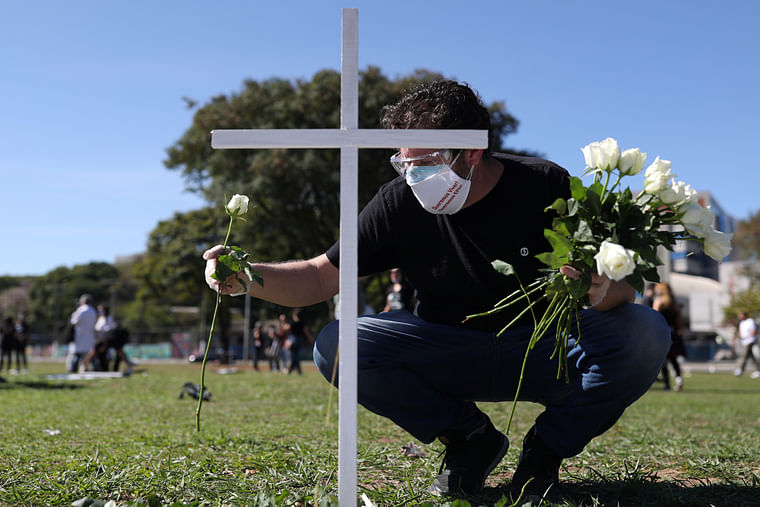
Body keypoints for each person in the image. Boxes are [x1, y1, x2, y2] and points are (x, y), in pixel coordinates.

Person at [203, 80, 670, 501]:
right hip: (446, 349)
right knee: (337, 344)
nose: (413, 176)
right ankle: (470, 439)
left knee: (644, 331)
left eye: (426, 163)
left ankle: (545, 453)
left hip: (539, 347)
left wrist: (600, 288)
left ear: (471, 153)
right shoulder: (397, 201)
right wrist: (250, 276)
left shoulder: (544, 185)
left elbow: (621, 291)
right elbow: (322, 274)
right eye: (403, 162)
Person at [652, 282, 687, 391]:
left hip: (663, 332)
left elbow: (654, 316)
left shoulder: (659, 302)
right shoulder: (674, 303)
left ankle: (667, 384)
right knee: (674, 359)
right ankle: (678, 379)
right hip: (674, 332)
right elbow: (680, 320)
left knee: (663, 360)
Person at [67, 294, 97, 373]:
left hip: (80, 335)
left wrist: (73, 315)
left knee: (77, 353)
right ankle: (95, 368)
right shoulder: (93, 311)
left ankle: (73, 369)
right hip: (90, 335)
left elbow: (74, 322)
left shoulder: (81, 310)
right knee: (90, 353)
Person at [285, 309, 314, 375]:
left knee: (294, 355)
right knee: (295, 355)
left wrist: (283, 321)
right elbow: (307, 332)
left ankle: (294, 370)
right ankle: (295, 370)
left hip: (293, 341)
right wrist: (311, 339)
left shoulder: (292, 323)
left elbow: (285, 328)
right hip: (300, 340)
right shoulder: (303, 323)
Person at [734, 311, 760, 378]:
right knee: (752, 357)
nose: (739, 316)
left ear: (745, 315)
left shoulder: (750, 321)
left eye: (741, 315)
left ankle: (740, 370)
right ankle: (758, 370)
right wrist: (739, 336)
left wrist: (751, 335)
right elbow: (740, 332)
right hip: (744, 341)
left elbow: (753, 330)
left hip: (750, 341)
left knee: (745, 355)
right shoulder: (741, 323)